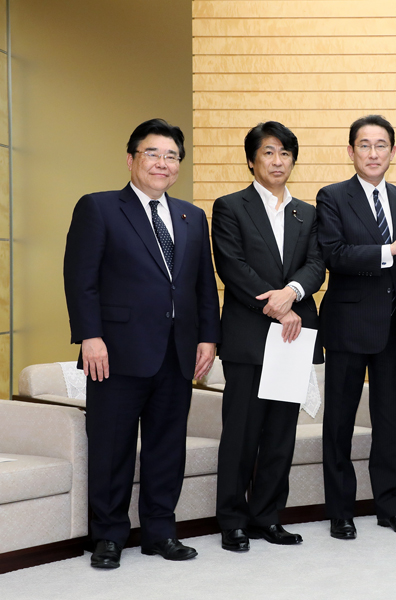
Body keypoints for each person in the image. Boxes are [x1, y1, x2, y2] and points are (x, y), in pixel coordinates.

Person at [63, 118, 220, 569]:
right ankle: (108, 536)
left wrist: (209, 336)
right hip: (114, 352)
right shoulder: (99, 207)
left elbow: (203, 285)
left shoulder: (192, 216)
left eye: (172, 156)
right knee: (111, 447)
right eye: (153, 153)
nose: (162, 163)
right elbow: (81, 279)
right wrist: (90, 336)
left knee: (167, 447)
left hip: (177, 352)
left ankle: (159, 532)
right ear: (131, 158)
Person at [212, 121, 325, 552]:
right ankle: (232, 520)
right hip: (249, 336)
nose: (278, 161)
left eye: (285, 153)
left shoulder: (307, 212)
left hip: (293, 337)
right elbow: (232, 265)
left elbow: (316, 264)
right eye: (269, 153)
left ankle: (267, 516)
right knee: (241, 434)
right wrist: (278, 305)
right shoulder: (230, 207)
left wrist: (292, 293)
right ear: (251, 160)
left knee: (280, 435)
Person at [317, 115, 396, 540]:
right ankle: (340, 511)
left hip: (393, 328)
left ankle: (391, 508)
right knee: (339, 422)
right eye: (365, 145)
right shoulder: (332, 197)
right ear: (351, 151)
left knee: (388, 423)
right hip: (347, 326)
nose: (373, 153)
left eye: (381, 145)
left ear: (393, 152)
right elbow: (334, 254)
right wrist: (388, 250)